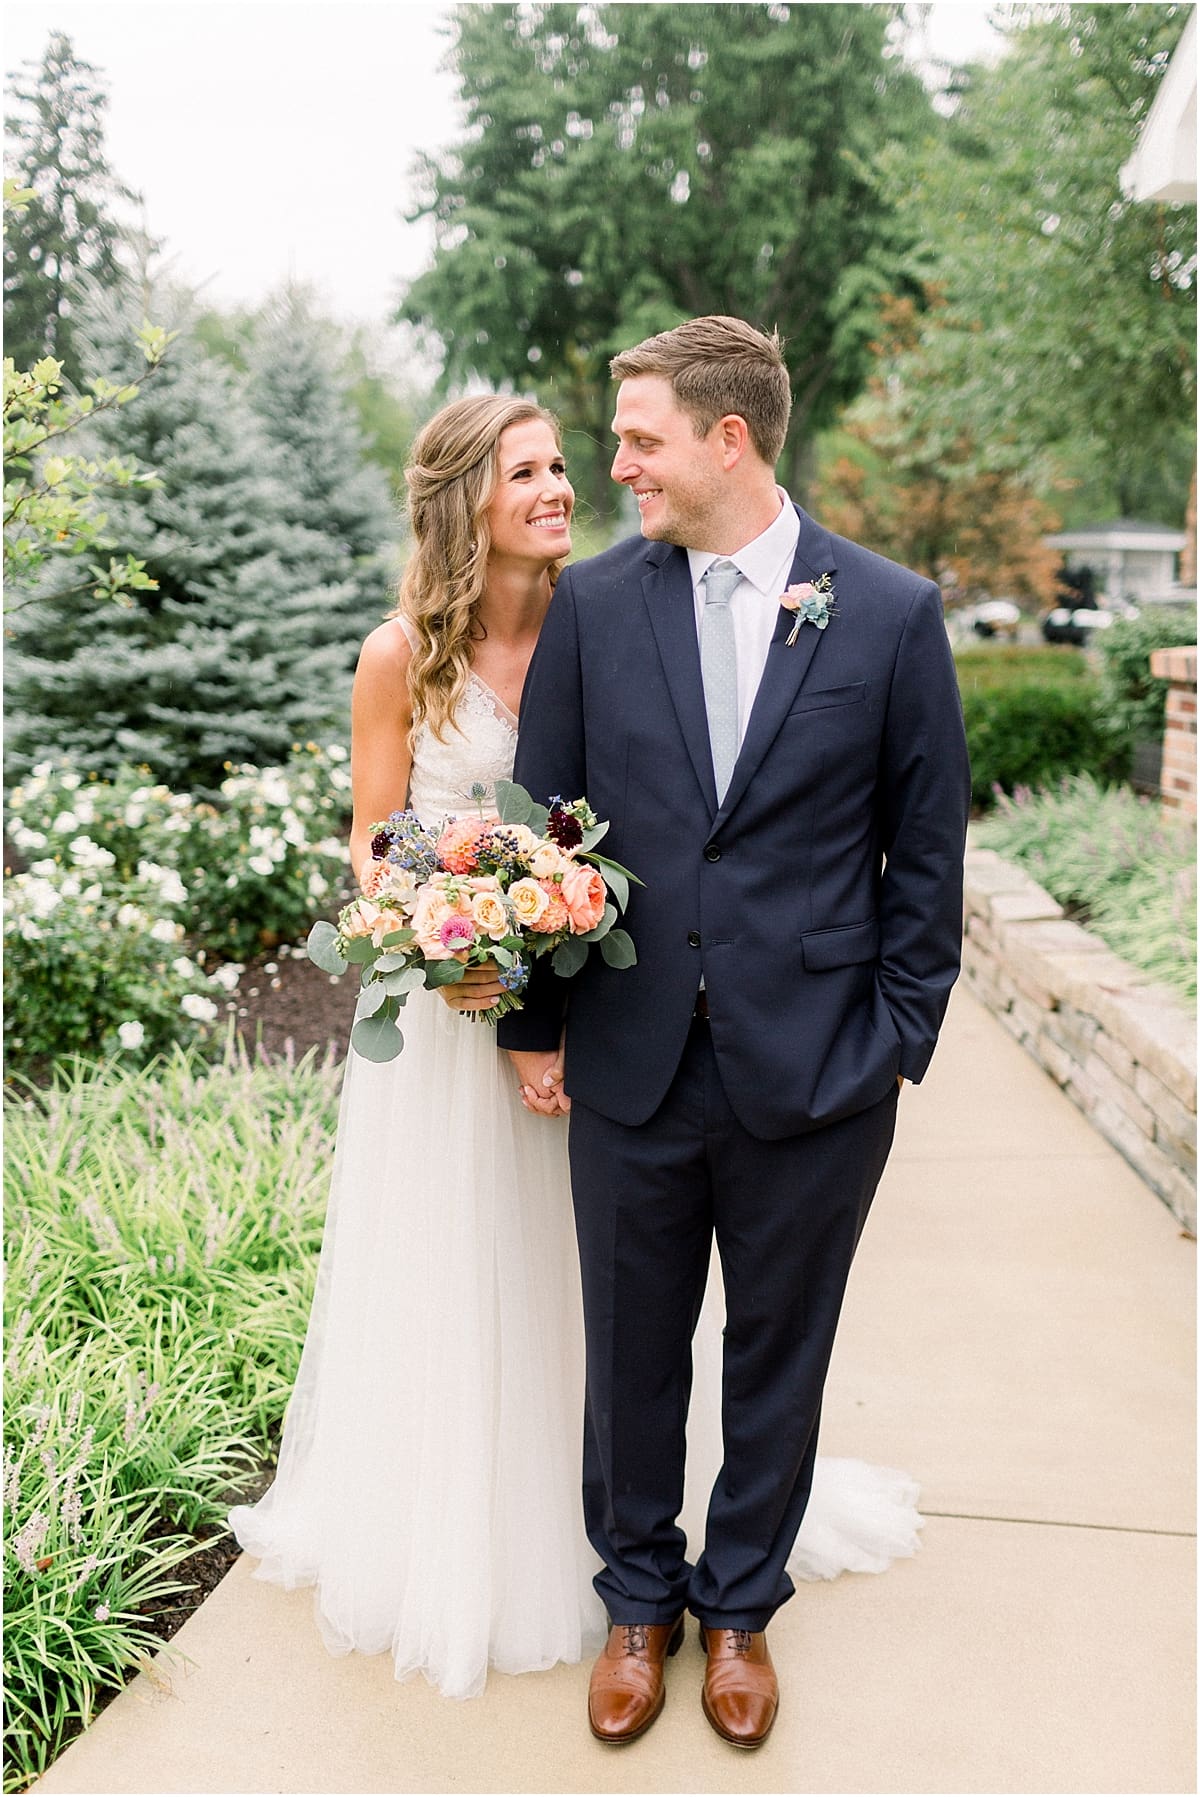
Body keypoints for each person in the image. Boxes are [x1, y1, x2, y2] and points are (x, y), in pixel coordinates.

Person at [230, 389, 927, 1706]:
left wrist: (548, 955)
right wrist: (448, 924)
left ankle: (640, 1559)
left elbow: (633, 828)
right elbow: (375, 835)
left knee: (601, 1295)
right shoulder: (402, 658)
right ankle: (489, 1540)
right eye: (530, 471)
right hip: (455, 1022)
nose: (563, 487)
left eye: (568, 466)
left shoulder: (610, 620)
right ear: (463, 502)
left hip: (602, 1020)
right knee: (459, 1271)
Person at [497, 317, 971, 1748]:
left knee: (782, 1348)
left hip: (819, 1066)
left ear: (728, 438)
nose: (616, 464)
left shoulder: (888, 612)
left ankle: (743, 1605)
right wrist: (529, 1019)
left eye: (639, 437)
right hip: (633, 1056)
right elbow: (542, 828)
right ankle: (637, 1602)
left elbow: (928, 851)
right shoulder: (591, 605)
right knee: (632, 1348)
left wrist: (894, 1036)